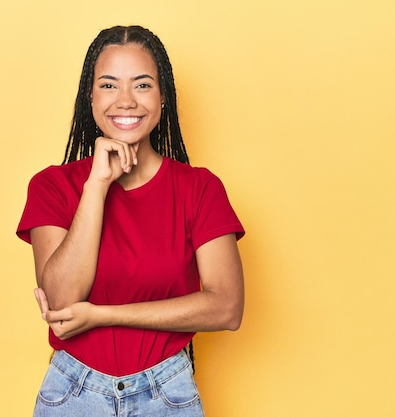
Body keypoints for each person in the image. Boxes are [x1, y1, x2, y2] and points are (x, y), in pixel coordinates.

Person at [17, 25, 245, 417]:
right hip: (73, 393)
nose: (125, 101)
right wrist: (97, 185)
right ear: (89, 97)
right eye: (108, 85)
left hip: (167, 391)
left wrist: (102, 315)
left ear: (162, 98)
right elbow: (61, 300)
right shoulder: (53, 186)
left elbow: (227, 307)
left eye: (142, 85)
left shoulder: (199, 189)